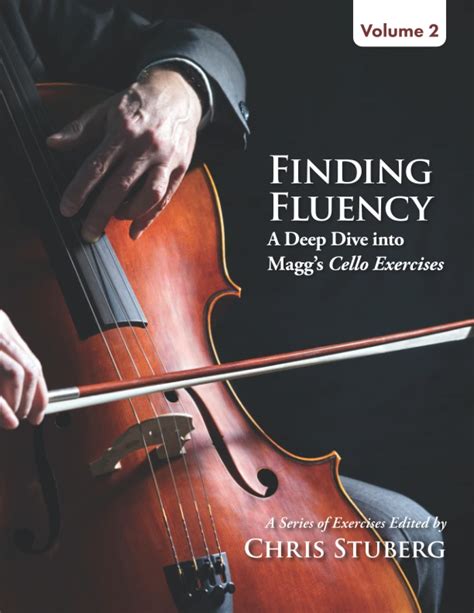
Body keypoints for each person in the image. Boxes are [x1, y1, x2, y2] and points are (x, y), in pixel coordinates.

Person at [0, 2, 442, 611]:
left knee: (403, 534)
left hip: (169, 444)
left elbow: (200, 45)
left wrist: (180, 86)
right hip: (30, 469)